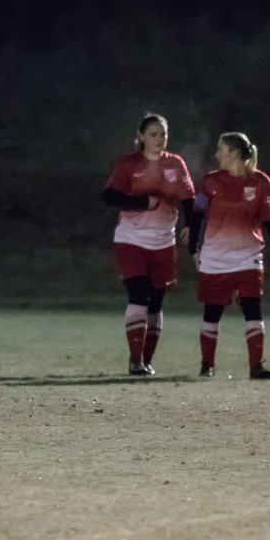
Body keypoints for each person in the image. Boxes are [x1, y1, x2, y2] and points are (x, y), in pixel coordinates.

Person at [188, 132, 270, 380]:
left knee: (252, 307)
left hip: (248, 257)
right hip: (215, 258)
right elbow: (197, 214)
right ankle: (207, 364)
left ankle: (256, 366)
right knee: (212, 311)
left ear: (234, 153)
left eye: (221, 149)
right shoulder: (211, 182)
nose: (217, 154)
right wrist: (194, 248)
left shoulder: (261, 182)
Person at [102, 113, 195, 375]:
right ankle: (135, 361)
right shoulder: (129, 163)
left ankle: (147, 359)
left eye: (163, 134)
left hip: (163, 242)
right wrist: (142, 203)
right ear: (142, 137)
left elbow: (189, 198)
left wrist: (190, 225)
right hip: (131, 240)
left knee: (156, 303)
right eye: (153, 134)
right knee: (139, 296)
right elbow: (108, 195)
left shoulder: (176, 164)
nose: (159, 139)